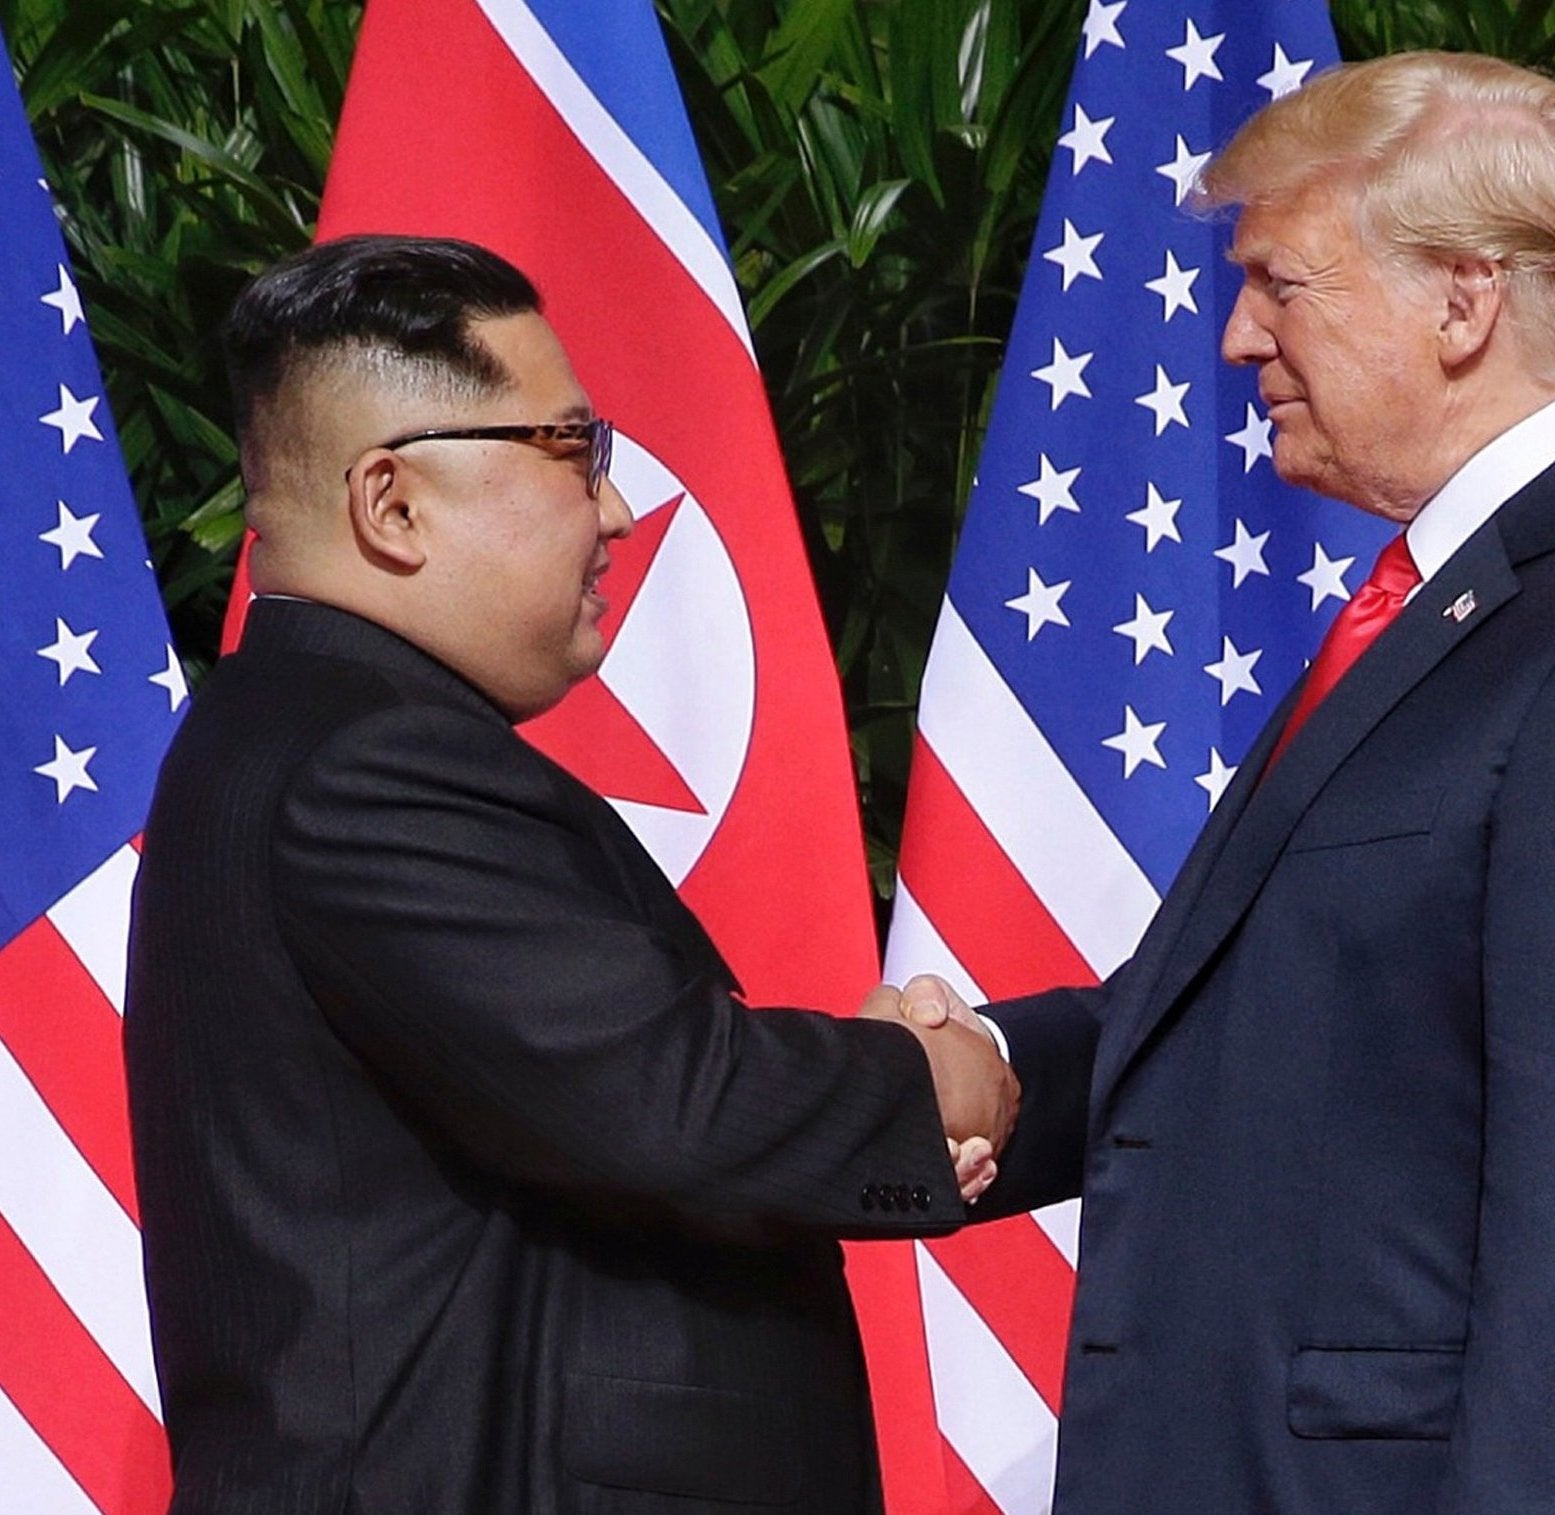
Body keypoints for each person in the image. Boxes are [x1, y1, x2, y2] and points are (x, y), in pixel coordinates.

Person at [898, 51, 1555, 1514]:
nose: (1233, 337)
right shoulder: (1446, 599)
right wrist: (985, 1074)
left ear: (1466, 299)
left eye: (1281, 284)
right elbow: (1258, 1023)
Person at [124, 234, 1015, 1515]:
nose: (614, 506)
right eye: (571, 450)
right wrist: (933, 1078)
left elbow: (613, 1105)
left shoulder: (309, 730)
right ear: (392, 503)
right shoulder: (367, 761)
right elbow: (677, 1109)